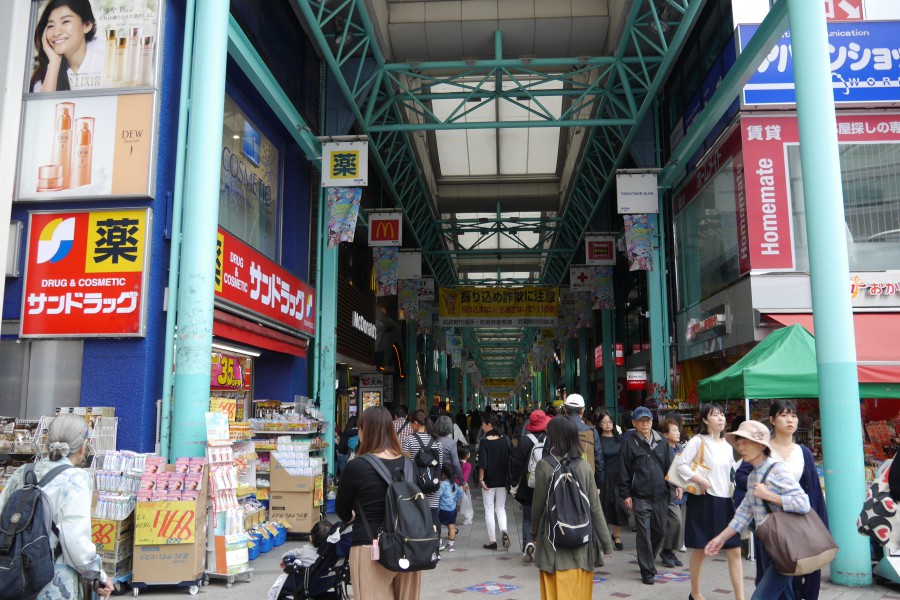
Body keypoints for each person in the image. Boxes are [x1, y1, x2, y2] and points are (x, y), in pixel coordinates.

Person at [0, 414, 114, 599]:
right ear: (83, 446)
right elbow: (74, 541)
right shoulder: (77, 479)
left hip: (12, 576)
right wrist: (98, 574)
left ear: (47, 444)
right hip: (52, 581)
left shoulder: (23, 472)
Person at [705, 420, 811, 600]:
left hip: (785, 547)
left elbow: (803, 503)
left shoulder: (777, 470)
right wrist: (720, 538)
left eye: (745, 442)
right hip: (767, 546)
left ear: (761, 445)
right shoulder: (753, 475)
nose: (740, 447)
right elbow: (743, 515)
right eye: (738, 444)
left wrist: (769, 495)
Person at [739, 400, 828, 600]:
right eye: (784, 415)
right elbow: (741, 476)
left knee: (789, 574)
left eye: (794, 415)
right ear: (772, 420)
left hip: (797, 522)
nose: (790, 419)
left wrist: (821, 525)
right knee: (779, 572)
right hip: (770, 523)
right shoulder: (762, 449)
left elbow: (812, 492)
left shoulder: (803, 452)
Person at [335, 406, 422, 599]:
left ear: (365, 430)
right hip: (407, 547)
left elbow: (342, 510)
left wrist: (352, 516)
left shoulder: (356, 466)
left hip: (369, 547)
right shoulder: (409, 464)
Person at [531, 416, 615, 598]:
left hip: (553, 544)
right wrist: (607, 544)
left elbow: (538, 505)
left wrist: (534, 532)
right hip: (582, 544)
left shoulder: (544, 466)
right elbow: (595, 508)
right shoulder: (584, 466)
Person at [675, 403, 743, 600]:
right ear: (705, 420)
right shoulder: (698, 441)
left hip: (726, 501)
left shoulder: (728, 445)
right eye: (715, 415)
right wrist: (700, 480)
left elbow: (731, 471)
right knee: (702, 549)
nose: (721, 418)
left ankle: (741, 598)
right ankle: (695, 593)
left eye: (722, 415)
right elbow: (680, 464)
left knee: (734, 550)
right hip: (705, 501)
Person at [618, 406, 674, 585]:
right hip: (640, 496)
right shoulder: (629, 442)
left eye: (647, 420)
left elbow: (669, 465)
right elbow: (624, 470)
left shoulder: (661, 441)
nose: (645, 424)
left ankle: (649, 559)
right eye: (641, 421)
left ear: (652, 422)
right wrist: (626, 494)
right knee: (643, 533)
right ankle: (647, 570)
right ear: (634, 423)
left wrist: (675, 485)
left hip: (661, 495)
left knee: (660, 530)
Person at [30, 0, 103, 93]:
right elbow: (44, 106)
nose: (56, 32)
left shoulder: (106, 52)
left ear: (87, 25)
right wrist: (54, 62)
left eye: (65, 22)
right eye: (51, 25)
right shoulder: (43, 78)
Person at [509, 409, 551, 562]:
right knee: (546, 516)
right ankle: (544, 546)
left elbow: (517, 464)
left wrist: (514, 483)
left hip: (529, 484)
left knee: (527, 517)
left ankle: (527, 543)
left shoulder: (525, 440)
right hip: (547, 483)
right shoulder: (550, 439)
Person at [402, 410, 445, 529]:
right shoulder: (436, 440)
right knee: (433, 514)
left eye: (411, 424)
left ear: (415, 423)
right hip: (433, 482)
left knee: (417, 513)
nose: (410, 427)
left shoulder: (410, 439)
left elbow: (404, 461)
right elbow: (440, 464)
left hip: (415, 483)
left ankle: (420, 542)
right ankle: (436, 542)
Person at [596, 409, 629, 551]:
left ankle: (616, 535)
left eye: (610, 421)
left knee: (620, 507)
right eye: (604, 422)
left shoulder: (620, 439)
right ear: (600, 424)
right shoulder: (598, 440)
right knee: (603, 510)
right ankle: (604, 538)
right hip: (604, 478)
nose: (608, 424)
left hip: (619, 478)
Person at [477, 413, 511, 550]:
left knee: (489, 509)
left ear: (489, 425)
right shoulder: (505, 440)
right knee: (500, 507)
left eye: (483, 424)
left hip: (489, 481)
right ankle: (504, 531)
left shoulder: (485, 442)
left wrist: (481, 479)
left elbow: (482, 463)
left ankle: (492, 541)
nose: (482, 426)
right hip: (503, 480)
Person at [561, 394, 605, 490]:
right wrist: (598, 484)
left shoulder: (555, 428)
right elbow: (598, 461)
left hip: (560, 481)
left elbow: (547, 455)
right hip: (586, 482)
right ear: (583, 410)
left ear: (565, 408)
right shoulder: (591, 431)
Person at [660, 418, 686, 568]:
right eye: (674, 430)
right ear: (665, 434)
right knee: (675, 521)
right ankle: (666, 550)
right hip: (669, 491)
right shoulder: (662, 450)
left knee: (678, 524)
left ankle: (670, 551)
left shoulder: (680, 448)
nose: (678, 433)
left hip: (682, 491)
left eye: (678, 430)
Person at [435, 415, 467, 494]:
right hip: (447, 477)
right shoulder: (451, 443)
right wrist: (463, 482)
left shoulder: (432, 440)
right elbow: (456, 464)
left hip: (434, 476)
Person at [438, 465, 463, 552]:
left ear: (444, 474)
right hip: (452, 510)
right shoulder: (454, 484)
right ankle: (450, 545)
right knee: (452, 527)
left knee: (439, 525)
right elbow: (461, 493)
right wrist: (455, 500)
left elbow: (439, 495)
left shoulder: (443, 484)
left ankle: (440, 544)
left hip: (443, 509)